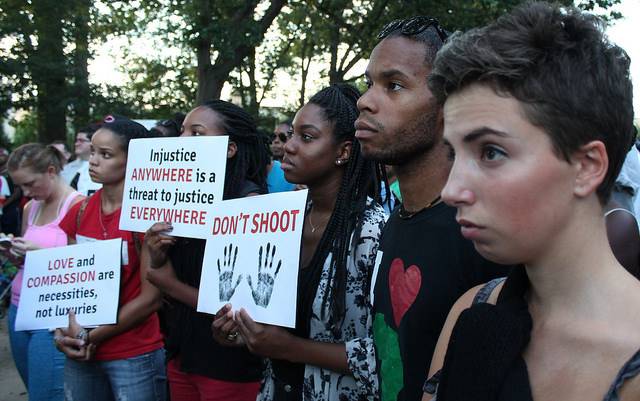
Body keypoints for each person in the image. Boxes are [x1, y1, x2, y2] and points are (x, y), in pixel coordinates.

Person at [423, 3, 640, 401]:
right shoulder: (472, 311)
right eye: (453, 154)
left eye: (491, 152)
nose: (452, 191)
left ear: (587, 166)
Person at [354, 16, 508, 401]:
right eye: (369, 83)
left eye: (394, 85)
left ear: (445, 106)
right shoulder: (396, 220)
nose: (365, 100)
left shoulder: (481, 236)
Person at [211, 84, 386, 401]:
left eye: (306, 137)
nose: (288, 147)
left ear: (344, 152)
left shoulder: (372, 232)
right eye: (291, 134)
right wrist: (238, 333)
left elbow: (383, 357)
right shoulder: (279, 219)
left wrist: (290, 348)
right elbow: (270, 325)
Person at [144, 100, 270, 401]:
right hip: (182, 353)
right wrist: (157, 255)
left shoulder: (249, 204)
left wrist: (169, 284)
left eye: (197, 133)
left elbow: (245, 305)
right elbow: (164, 271)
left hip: (228, 365)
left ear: (230, 149)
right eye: (182, 131)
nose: (183, 140)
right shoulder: (178, 200)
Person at [54, 118, 166, 401]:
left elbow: (151, 298)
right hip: (81, 351)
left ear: (133, 161)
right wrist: (63, 333)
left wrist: (89, 336)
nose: (93, 161)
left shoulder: (147, 218)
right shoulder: (80, 211)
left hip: (134, 353)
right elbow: (69, 285)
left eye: (106, 154)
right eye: (93, 151)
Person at [6, 143, 84, 401]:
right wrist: (14, 253)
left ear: (51, 171)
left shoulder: (77, 206)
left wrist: (38, 252)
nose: (26, 192)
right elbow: (27, 260)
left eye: (30, 184)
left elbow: (85, 266)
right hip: (19, 307)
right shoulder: (30, 207)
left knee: (45, 394)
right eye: (20, 186)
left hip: (53, 312)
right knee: (34, 388)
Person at [61, 125, 103, 196]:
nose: (76, 144)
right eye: (76, 140)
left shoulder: (105, 168)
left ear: (93, 143)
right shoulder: (67, 169)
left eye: (81, 141)